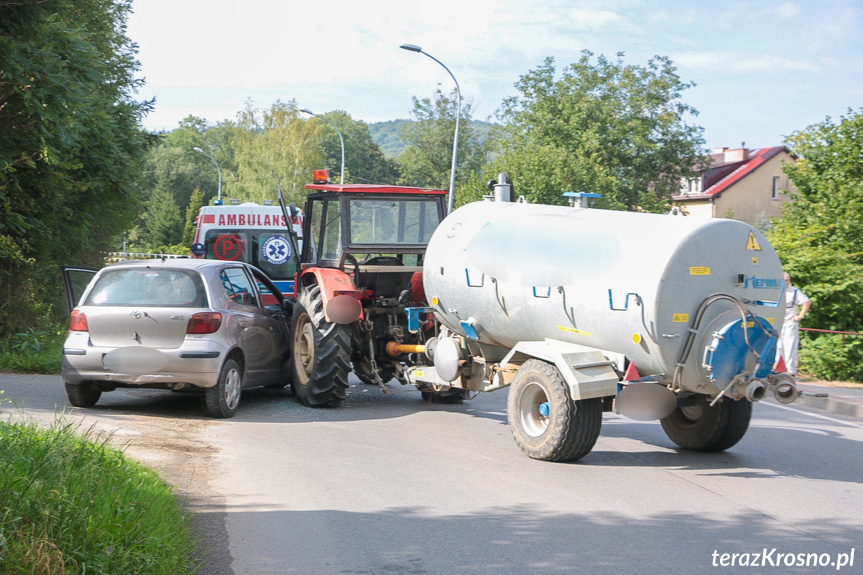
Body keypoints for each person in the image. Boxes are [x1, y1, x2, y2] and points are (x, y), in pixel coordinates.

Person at [777, 272, 811, 375]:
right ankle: (777, 368)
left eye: (786, 280)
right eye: (783, 280)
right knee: (778, 346)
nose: (785, 282)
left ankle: (790, 370)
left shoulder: (794, 291)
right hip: (778, 321)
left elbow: (807, 302)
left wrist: (800, 315)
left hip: (789, 321)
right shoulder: (775, 290)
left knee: (789, 346)